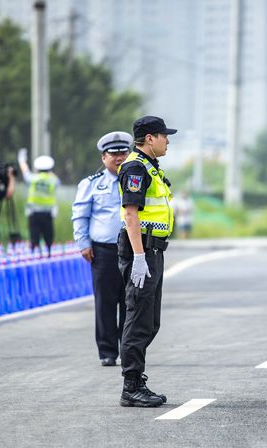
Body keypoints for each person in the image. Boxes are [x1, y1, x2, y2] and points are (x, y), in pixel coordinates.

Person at [117, 116, 177, 408]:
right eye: (165, 135)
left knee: (150, 321)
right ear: (150, 138)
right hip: (141, 250)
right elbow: (131, 214)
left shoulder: (150, 168)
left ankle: (136, 380)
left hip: (153, 251)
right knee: (139, 318)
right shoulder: (135, 167)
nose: (168, 140)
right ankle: (130, 386)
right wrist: (139, 257)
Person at [72, 131, 134, 367]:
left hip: (131, 249)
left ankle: (129, 349)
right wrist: (83, 244)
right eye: (114, 153)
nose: (119, 157)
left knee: (131, 302)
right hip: (104, 251)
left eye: (123, 152)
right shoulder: (90, 184)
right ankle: (108, 352)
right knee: (105, 303)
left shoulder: (137, 179)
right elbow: (80, 215)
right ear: (103, 157)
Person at [18, 151, 60, 254]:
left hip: (33, 214)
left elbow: (25, 171)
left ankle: (34, 256)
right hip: (47, 214)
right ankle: (48, 256)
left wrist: (22, 161)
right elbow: (58, 181)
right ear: (50, 168)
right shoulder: (53, 180)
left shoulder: (33, 178)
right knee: (48, 238)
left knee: (34, 238)